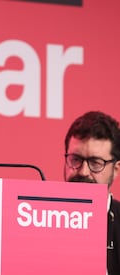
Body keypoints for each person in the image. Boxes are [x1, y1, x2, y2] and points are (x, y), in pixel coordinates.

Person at [63, 111, 120, 275]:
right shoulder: (38, 220)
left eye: (95, 163)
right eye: (75, 159)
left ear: (115, 170)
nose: (83, 171)